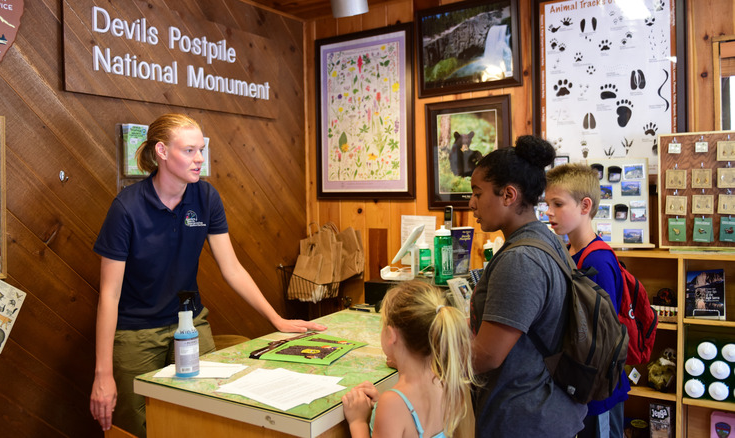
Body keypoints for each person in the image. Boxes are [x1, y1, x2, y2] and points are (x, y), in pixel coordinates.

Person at [89, 113, 326, 437]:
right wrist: (103, 373)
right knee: (138, 426)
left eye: (201, 149)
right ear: (161, 151)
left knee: (208, 415)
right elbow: (109, 295)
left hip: (190, 322)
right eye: (189, 150)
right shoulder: (127, 208)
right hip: (135, 333)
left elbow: (232, 269)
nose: (199, 158)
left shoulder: (205, 197)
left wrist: (277, 320)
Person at [468, 135, 587, 437]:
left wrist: (423, 356)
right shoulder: (547, 240)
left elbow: (485, 356)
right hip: (548, 410)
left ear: (508, 195)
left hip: (524, 419)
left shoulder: (521, 259)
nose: (471, 204)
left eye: (477, 193)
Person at [545, 163, 630, 438]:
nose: (548, 212)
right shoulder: (569, 251)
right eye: (547, 204)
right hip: (577, 384)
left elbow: (604, 337)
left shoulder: (598, 260)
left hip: (597, 390)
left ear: (585, 206)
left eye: (557, 204)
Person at [341, 280, 475, 438]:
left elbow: (398, 412)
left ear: (391, 335)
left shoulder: (392, 404)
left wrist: (358, 422)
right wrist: (381, 408)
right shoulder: (446, 385)